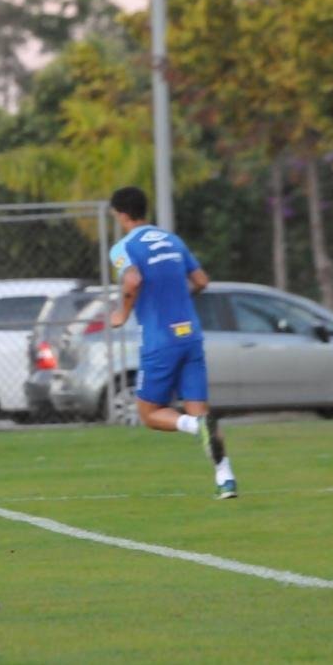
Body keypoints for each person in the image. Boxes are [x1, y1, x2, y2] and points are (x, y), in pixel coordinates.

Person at [107, 186, 237, 499]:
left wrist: (122, 312)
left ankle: (194, 427)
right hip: (190, 334)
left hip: (160, 339)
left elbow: (132, 280)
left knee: (149, 413)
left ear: (121, 215)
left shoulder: (124, 247)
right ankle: (226, 478)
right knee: (200, 410)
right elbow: (201, 281)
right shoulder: (172, 240)